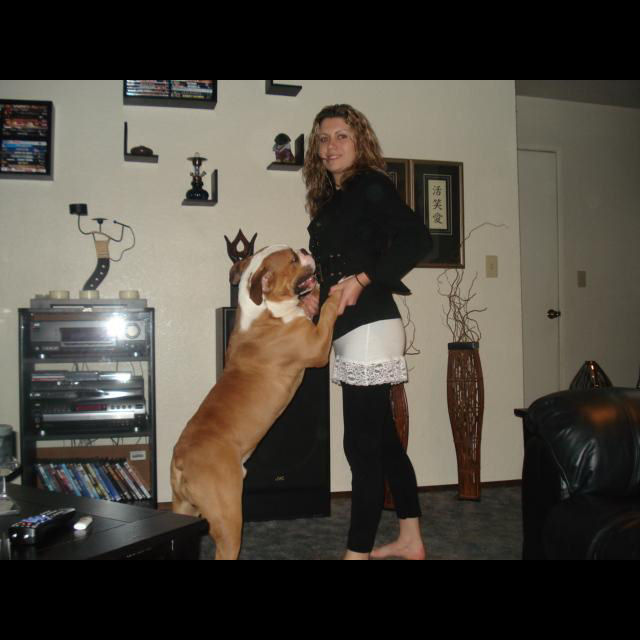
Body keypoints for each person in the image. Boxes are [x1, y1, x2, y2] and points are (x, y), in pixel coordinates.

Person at [301, 104, 432, 560]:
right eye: (323, 138)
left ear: (359, 141)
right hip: (350, 327)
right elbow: (339, 262)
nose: (330, 146)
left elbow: (417, 239)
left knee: (361, 446)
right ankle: (411, 539)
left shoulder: (371, 185)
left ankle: (356, 553)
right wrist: (313, 292)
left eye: (341, 136)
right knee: (384, 441)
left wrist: (361, 279)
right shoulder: (335, 198)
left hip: (371, 326)